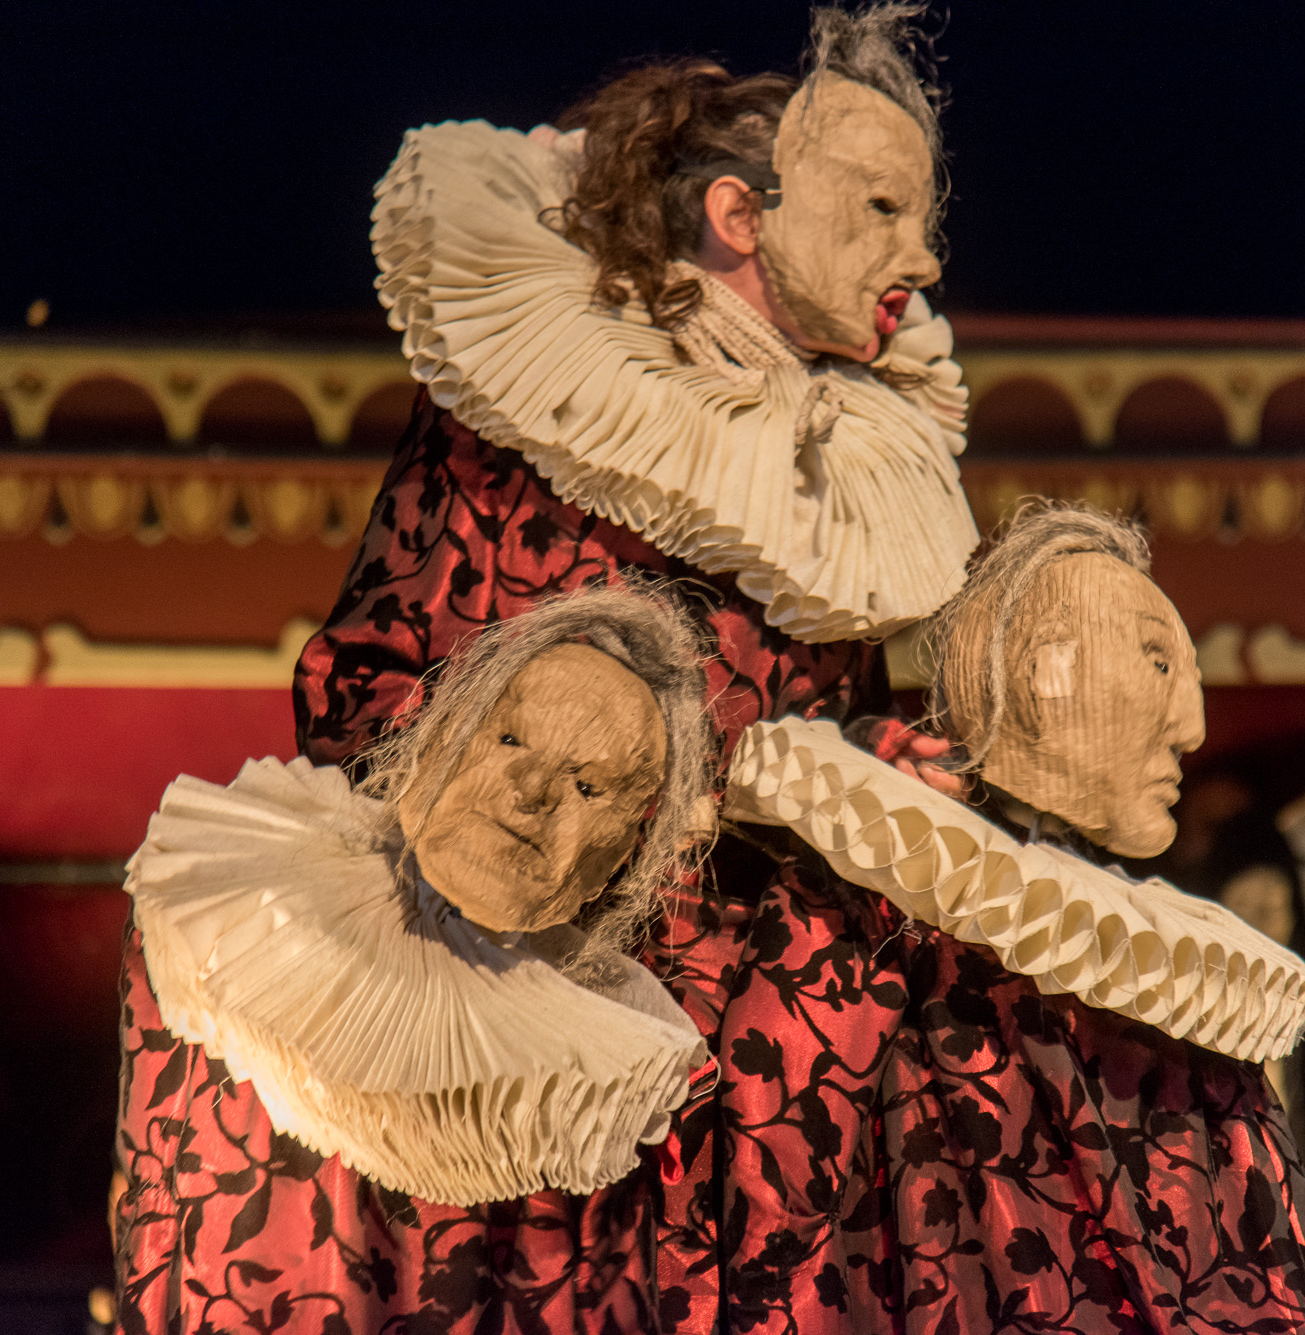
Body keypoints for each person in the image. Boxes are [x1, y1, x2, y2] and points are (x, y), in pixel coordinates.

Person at [118, 7, 978, 1332]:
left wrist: (876, 780)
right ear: (741, 216)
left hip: (739, 959)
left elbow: (834, 733)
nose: (917, 256)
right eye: (875, 208)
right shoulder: (550, 404)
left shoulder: (839, 484)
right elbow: (374, 675)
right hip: (514, 936)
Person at [718, 502, 1305, 1332]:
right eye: (1160, 665)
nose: (1194, 728)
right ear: (1048, 669)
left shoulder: (1150, 947)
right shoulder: (882, 871)